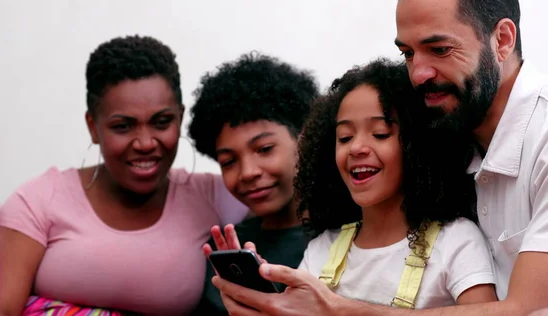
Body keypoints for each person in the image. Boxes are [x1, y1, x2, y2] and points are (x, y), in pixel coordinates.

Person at [212, 0, 548, 315]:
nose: (418, 74)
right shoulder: (455, 132)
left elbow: (526, 310)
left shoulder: (538, 140)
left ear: (502, 39)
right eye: (407, 53)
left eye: (440, 49)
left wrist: (335, 308)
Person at [210, 57, 496, 311]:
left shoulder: (457, 242)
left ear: (419, 145)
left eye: (380, 133)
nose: (357, 147)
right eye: (344, 137)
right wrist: (265, 298)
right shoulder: (322, 248)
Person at [0, 35, 249, 316]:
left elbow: (290, 201)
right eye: (123, 126)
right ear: (93, 127)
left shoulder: (213, 197)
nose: (145, 143)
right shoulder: (39, 200)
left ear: (180, 118)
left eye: (162, 122)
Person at [188, 52, 318, 315]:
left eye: (264, 148)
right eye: (228, 161)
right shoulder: (227, 250)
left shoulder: (347, 235)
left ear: (304, 138)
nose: (247, 172)